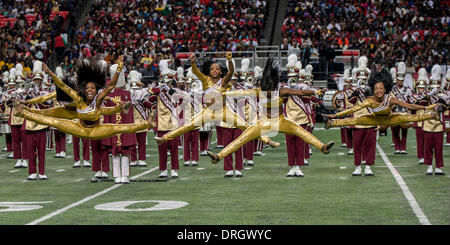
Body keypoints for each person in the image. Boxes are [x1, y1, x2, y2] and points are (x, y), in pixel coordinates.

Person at [207, 57, 334, 164]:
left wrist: (315, 91)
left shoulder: (280, 90)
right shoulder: (261, 90)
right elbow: (237, 93)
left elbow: (300, 92)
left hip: (280, 121)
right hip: (265, 122)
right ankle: (218, 156)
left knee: (300, 131)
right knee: (242, 138)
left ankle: (322, 147)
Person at [154, 53, 279, 149]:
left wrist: (229, 61)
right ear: (209, 71)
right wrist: (192, 63)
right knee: (188, 126)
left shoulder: (223, 81)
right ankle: (164, 138)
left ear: (220, 71)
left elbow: (230, 72)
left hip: (223, 111)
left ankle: (267, 140)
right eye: (212, 69)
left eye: (217, 69)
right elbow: (196, 72)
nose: (214, 70)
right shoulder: (205, 80)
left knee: (246, 126)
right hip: (207, 112)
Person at [14, 57, 152, 140]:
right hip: (79, 128)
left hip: (97, 130)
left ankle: (147, 124)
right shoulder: (78, 99)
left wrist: (118, 71)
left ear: (95, 89)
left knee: (120, 128)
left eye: (92, 88)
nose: (90, 91)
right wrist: (49, 72)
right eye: (87, 88)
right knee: (54, 121)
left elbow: (110, 87)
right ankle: (22, 112)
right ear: (83, 90)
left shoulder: (98, 100)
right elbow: (62, 85)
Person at [323, 69, 442, 130]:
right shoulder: (369, 100)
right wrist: (336, 115)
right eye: (376, 89)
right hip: (373, 120)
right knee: (355, 120)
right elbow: (352, 110)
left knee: (408, 117)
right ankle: (331, 123)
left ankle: (433, 115)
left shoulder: (390, 99)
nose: (379, 91)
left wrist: (427, 107)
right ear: (373, 90)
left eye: (381, 88)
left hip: (390, 119)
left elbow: (409, 106)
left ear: (385, 89)